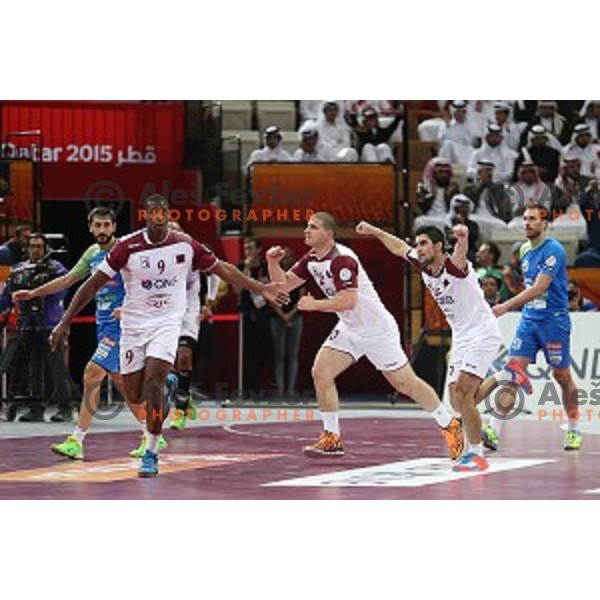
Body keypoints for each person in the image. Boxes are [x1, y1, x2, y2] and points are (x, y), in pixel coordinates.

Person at [49, 194, 285, 477]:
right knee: (134, 392)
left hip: (167, 323)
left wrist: (261, 288)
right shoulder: (127, 247)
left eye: (164, 212)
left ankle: (151, 452)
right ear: (146, 217)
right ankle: (171, 382)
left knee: (154, 383)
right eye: (153, 213)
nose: (159, 217)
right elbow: (91, 284)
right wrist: (64, 322)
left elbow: (223, 269)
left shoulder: (185, 245)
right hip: (134, 327)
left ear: (168, 215)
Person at [267, 212, 464, 459]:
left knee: (406, 385)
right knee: (321, 372)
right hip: (349, 328)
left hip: (376, 330)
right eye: (307, 226)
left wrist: (314, 304)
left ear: (328, 234)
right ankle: (331, 437)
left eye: (313, 227)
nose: (306, 231)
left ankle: (449, 424)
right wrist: (273, 263)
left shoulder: (343, 260)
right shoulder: (311, 259)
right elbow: (282, 286)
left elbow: (348, 301)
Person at [355, 221, 531, 471]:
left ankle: (476, 454)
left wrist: (463, 237)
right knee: (458, 402)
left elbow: (461, 255)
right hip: (461, 336)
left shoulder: (454, 266)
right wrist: (375, 231)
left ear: (439, 246)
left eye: (425, 243)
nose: (419, 248)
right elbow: (399, 248)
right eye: (418, 244)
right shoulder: (422, 263)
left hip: (482, 332)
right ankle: (508, 374)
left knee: (465, 395)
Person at [12, 209, 150, 457]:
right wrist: (33, 294)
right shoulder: (92, 253)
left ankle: (77, 440)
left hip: (123, 325)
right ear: (90, 227)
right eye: (97, 225)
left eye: (107, 225)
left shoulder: (125, 250)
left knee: (92, 373)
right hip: (103, 324)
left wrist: (129, 307)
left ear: (114, 226)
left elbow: (145, 282)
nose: (102, 230)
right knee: (123, 383)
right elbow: (68, 281)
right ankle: (152, 435)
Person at [482, 204, 581, 451]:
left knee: (562, 377)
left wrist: (505, 306)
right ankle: (493, 430)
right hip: (529, 320)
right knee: (513, 373)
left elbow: (539, 287)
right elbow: (524, 284)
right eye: (525, 219)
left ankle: (573, 429)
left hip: (554, 321)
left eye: (533, 219)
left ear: (544, 224)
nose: (527, 223)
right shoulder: (524, 249)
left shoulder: (554, 250)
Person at [0, 233, 75, 422]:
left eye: (39, 246)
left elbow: (63, 290)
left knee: (57, 367)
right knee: (34, 367)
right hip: (28, 323)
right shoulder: (18, 269)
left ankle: (65, 407)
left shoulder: (56, 268)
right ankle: (36, 408)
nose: (35, 250)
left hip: (50, 323)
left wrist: (42, 286)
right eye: (32, 246)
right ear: (27, 248)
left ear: (45, 248)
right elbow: (8, 296)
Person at [236, 236, 271, 395]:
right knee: (248, 351)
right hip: (247, 312)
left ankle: (260, 383)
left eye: (250, 248)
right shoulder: (240, 266)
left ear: (258, 250)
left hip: (264, 312)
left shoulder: (266, 267)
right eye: (245, 249)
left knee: (264, 349)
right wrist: (246, 269)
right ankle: (248, 388)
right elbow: (236, 290)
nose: (247, 251)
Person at [269, 248, 304, 397]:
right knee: (279, 354)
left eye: (290, 256)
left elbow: (302, 296)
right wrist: (282, 315)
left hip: (295, 317)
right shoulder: (275, 274)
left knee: (292, 354)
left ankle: (290, 388)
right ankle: (280, 388)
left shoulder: (298, 274)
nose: (287, 259)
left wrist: (290, 315)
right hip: (278, 317)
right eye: (285, 257)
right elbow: (271, 296)